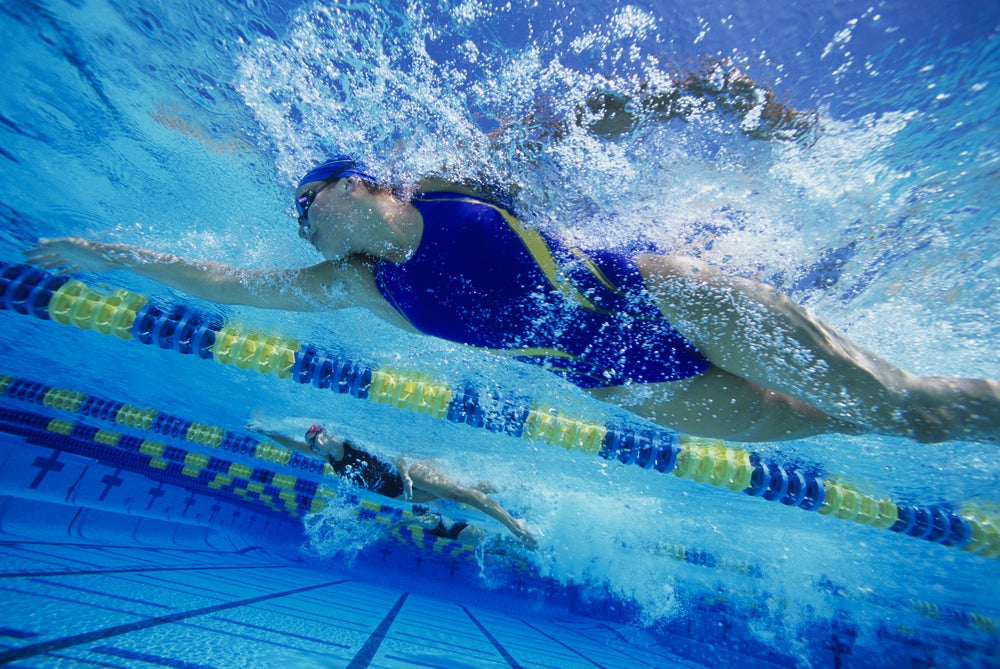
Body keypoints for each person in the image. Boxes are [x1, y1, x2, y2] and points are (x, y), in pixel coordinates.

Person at [25, 155, 999, 445]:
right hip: (625, 387)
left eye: (304, 204)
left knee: (899, 403)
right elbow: (228, 284)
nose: (298, 224)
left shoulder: (450, 185)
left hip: (668, 306)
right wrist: (111, 254)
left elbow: (572, 138)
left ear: (355, 185)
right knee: (867, 431)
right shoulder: (360, 287)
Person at [252, 423, 535, 548]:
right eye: (310, 444)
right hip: (405, 495)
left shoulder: (352, 443)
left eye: (314, 439)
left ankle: (513, 523)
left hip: (409, 475)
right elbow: (292, 444)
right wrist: (266, 432)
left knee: (458, 492)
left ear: (327, 433)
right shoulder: (330, 460)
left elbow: (394, 455)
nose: (312, 445)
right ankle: (515, 486)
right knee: (465, 488)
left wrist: (408, 477)